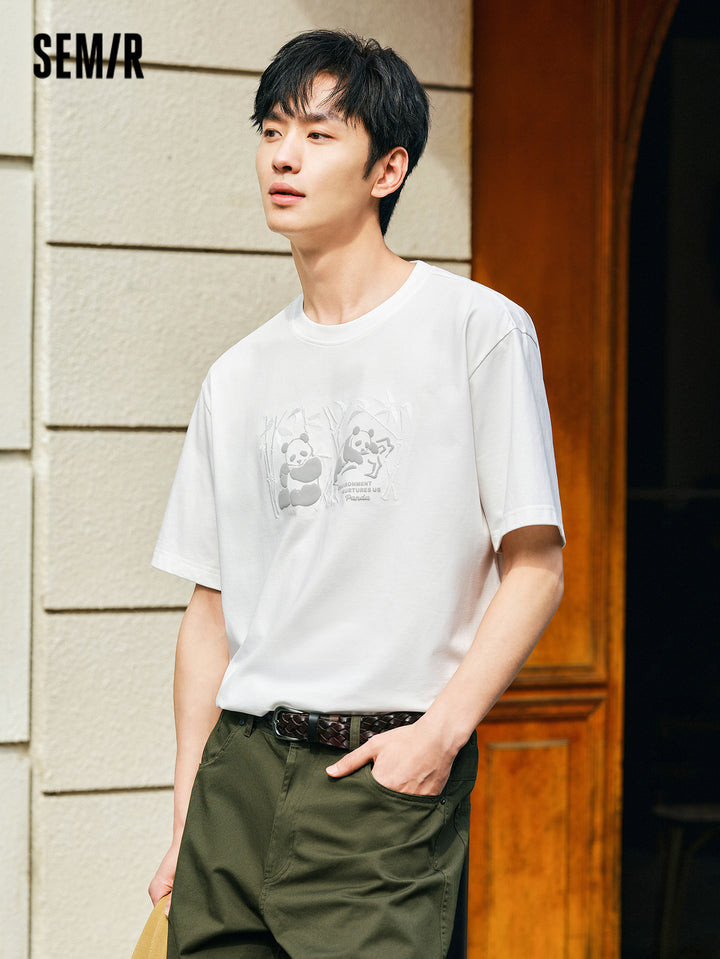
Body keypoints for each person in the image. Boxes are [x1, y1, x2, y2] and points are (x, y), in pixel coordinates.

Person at [147, 27, 565, 959]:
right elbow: (209, 608)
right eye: (271, 130)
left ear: (389, 168)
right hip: (236, 781)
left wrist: (439, 735)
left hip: (376, 782)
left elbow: (536, 567)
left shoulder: (476, 331)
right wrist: (185, 812)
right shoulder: (237, 375)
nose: (283, 156)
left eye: (318, 133)